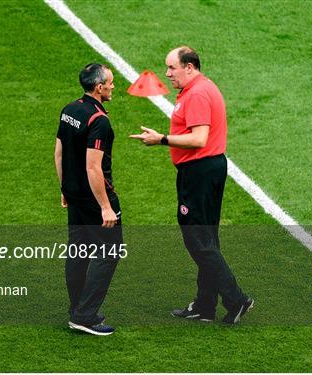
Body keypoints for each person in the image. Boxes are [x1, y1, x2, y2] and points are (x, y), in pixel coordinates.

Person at [130, 47, 254, 324]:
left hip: (199, 172)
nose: (167, 73)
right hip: (207, 169)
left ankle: (236, 299)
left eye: (172, 67)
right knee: (207, 239)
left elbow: (199, 138)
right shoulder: (200, 88)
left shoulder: (197, 93)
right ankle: (204, 305)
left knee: (198, 240)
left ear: (189, 67)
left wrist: (161, 139)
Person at [55, 63, 122, 336]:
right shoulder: (99, 121)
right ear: (99, 87)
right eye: (110, 82)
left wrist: (64, 188)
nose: (113, 86)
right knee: (109, 252)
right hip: (95, 198)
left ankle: (76, 309)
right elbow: (93, 167)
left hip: (74, 195)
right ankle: (85, 315)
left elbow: (58, 152)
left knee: (79, 250)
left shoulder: (69, 109)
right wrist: (106, 207)